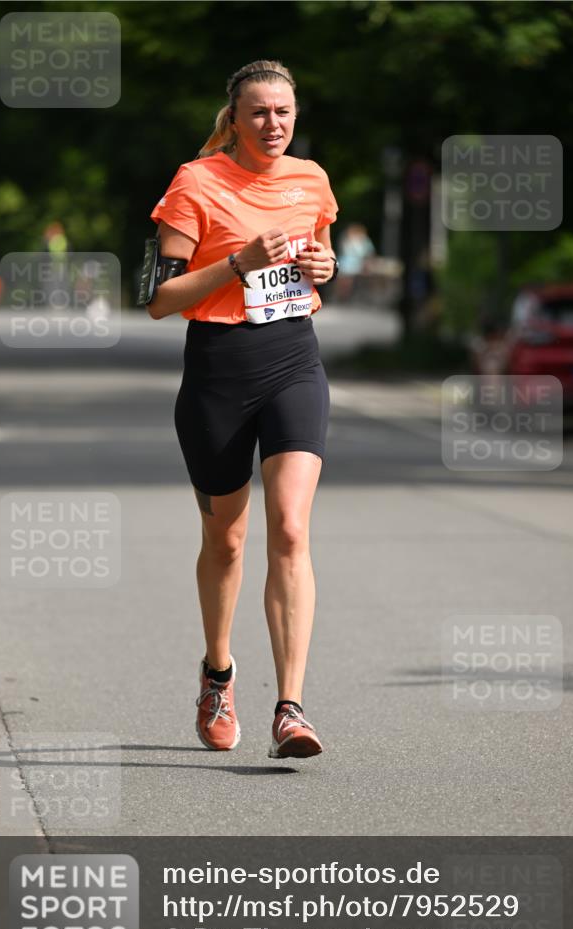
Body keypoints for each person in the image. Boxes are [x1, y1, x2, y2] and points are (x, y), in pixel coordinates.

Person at [145, 59, 339, 759]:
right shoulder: (195, 183)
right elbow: (160, 299)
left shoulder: (311, 179)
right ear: (233, 119)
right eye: (258, 112)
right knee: (226, 540)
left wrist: (325, 270)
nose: (273, 124)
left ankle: (290, 708)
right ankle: (218, 674)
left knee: (290, 529)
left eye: (283, 112)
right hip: (218, 371)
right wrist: (237, 263)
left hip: (293, 360)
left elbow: (322, 259)